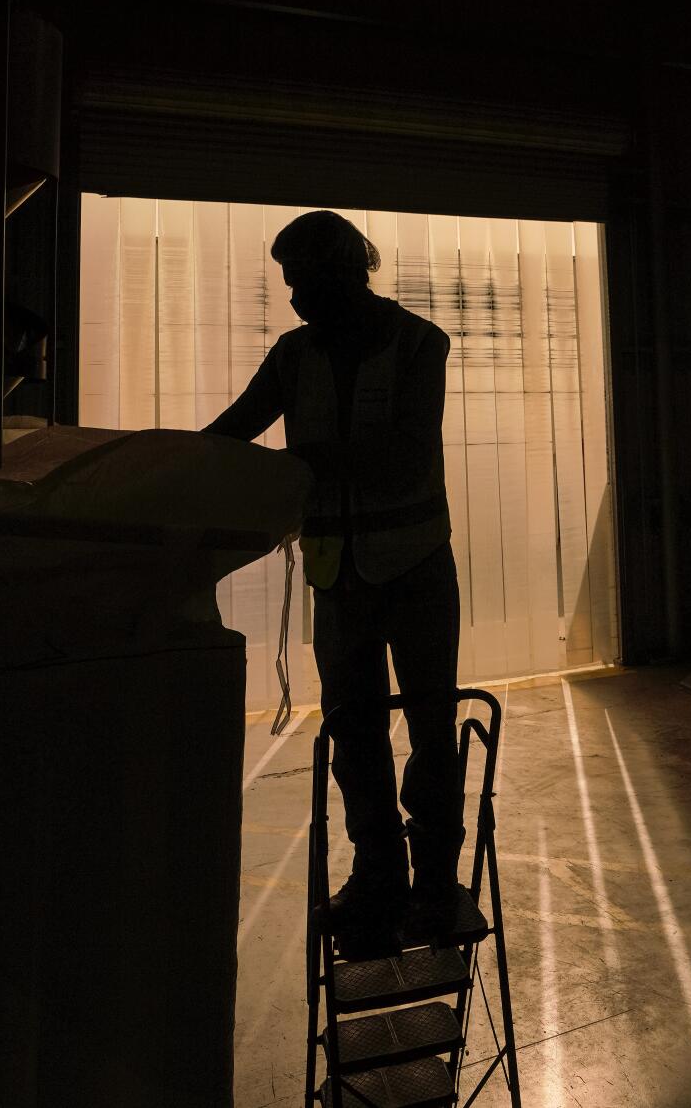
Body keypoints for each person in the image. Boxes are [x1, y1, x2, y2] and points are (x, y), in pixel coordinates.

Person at [204, 211, 463, 957]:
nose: (294, 298)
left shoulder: (420, 344)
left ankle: (435, 887)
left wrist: (298, 468)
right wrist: (166, 465)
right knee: (355, 736)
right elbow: (236, 429)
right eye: (288, 285)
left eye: (303, 282)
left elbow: (407, 460)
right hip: (339, 577)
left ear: (346, 271)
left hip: (415, 570)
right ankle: (377, 881)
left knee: (430, 732)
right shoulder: (291, 357)